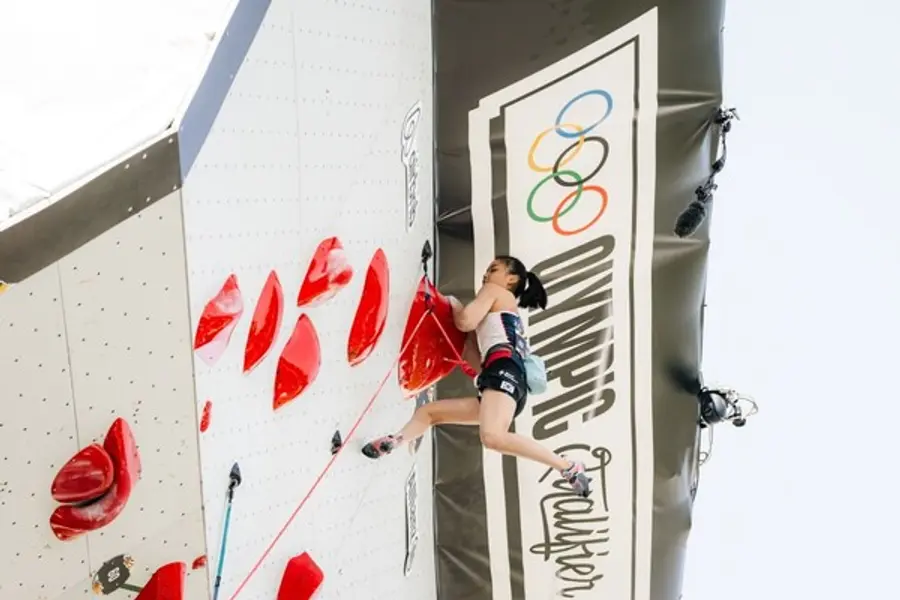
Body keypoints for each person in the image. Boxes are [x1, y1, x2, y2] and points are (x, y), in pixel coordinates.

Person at [362, 255, 592, 498]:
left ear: (510, 278)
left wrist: (453, 305)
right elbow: (470, 353)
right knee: (428, 413)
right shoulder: (500, 315)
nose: (486, 275)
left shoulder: (495, 291)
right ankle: (395, 440)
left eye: (493, 269)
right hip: (504, 379)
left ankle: (567, 467)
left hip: (505, 371)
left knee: (492, 437)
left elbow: (464, 322)